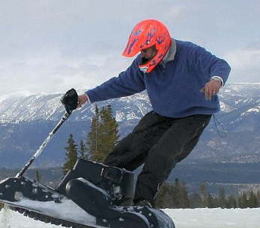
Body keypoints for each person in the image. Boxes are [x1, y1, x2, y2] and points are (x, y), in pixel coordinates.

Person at [74, 19, 231, 207]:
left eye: (146, 49)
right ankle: (100, 191)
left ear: (160, 44)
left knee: (162, 154)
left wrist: (216, 80)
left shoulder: (190, 53)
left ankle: (142, 203)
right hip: (163, 113)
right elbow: (121, 83)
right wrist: (87, 97)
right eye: (141, 51)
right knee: (129, 149)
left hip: (194, 114)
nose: (143, 54)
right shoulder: (144, 64)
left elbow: (220, 64)